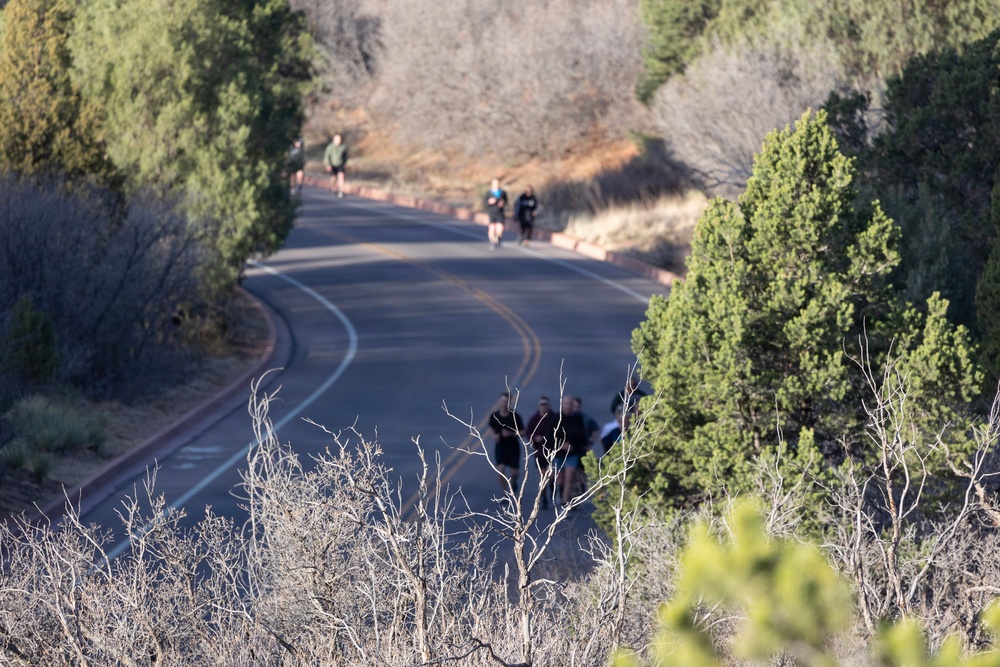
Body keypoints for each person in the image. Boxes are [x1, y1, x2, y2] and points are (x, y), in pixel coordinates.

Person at [552, 394, 587, 507]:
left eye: (570, 404)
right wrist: (562, 445)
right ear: (562, 405)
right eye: (566, 404)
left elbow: (581, 435)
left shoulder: (577, 418)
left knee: (570, 475)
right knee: (560, 479)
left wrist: (583, 447)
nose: (569, 406)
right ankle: (561, 492)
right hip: (558, 453)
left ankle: (565, 503)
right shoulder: (556, 418)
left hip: (572, 453)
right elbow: (549, 437)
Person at [524, 395, 557, 508]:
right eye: (541, 404)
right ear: (539, 406)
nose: (543, 407)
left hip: (552, 451)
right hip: (539, 452)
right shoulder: (534, 419)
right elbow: (528, 432)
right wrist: (534, 438)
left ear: (549, 405)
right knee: (543, 477)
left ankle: (553, 492)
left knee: (552, 476)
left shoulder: (554, 417)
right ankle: (543, 498)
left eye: (545, 404)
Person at [490, 391, 524, 491]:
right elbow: (492, 427)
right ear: (499, 401)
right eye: (502, 401)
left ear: (509, 403)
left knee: (515, 473)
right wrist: (495, 436)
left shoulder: (515, 416)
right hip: (501, 447)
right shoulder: (494, 416)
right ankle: (505, 493)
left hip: (513, 447)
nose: (504, 404)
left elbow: (522, 432)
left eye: (506, 402)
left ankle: (514, 481)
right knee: (500, 470)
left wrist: (511, 434)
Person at [484, 178, 508, 250]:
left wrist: (503, 203)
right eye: (495, 183)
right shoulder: (489, 193)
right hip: (492, 212)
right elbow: (485, 203)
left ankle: (498, 238)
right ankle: (493, 242)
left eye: (497, 183)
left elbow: (506, 201)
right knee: (492, 228)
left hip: (500, 213)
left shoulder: (502, 192)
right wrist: (490, 202)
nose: (496, 185)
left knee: (500, 228)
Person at [323, 133, 348, 198]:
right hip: (332, 164)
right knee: (333, 177)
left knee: (341, 176)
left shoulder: (343, 147)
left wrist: (345, 163)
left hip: (340, 164)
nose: (338, 140)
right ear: (334, 139)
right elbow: (326, 156)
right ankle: (332, 189)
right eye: (337, 139)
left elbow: (345, 156)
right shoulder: (330, 147)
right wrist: (327, 164)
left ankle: (341, 191)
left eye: (339, 139)